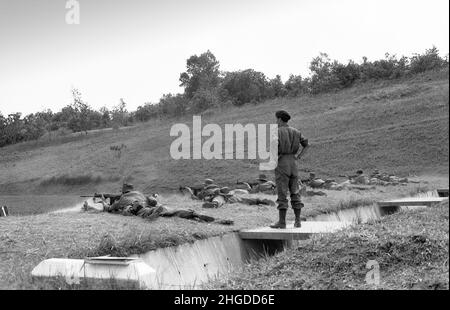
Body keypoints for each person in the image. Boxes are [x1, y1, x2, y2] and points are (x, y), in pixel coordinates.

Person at [270, 110, 309, 229]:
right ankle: (297, 221)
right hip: (294, 164)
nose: (276, 121)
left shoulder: (276, 132)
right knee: (295, 192)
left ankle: (282, 222)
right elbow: (307, 145)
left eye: (276, 119)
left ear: (280, 119)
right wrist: (299, 156)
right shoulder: (296, 132)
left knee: (282, 193)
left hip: (282, 163)